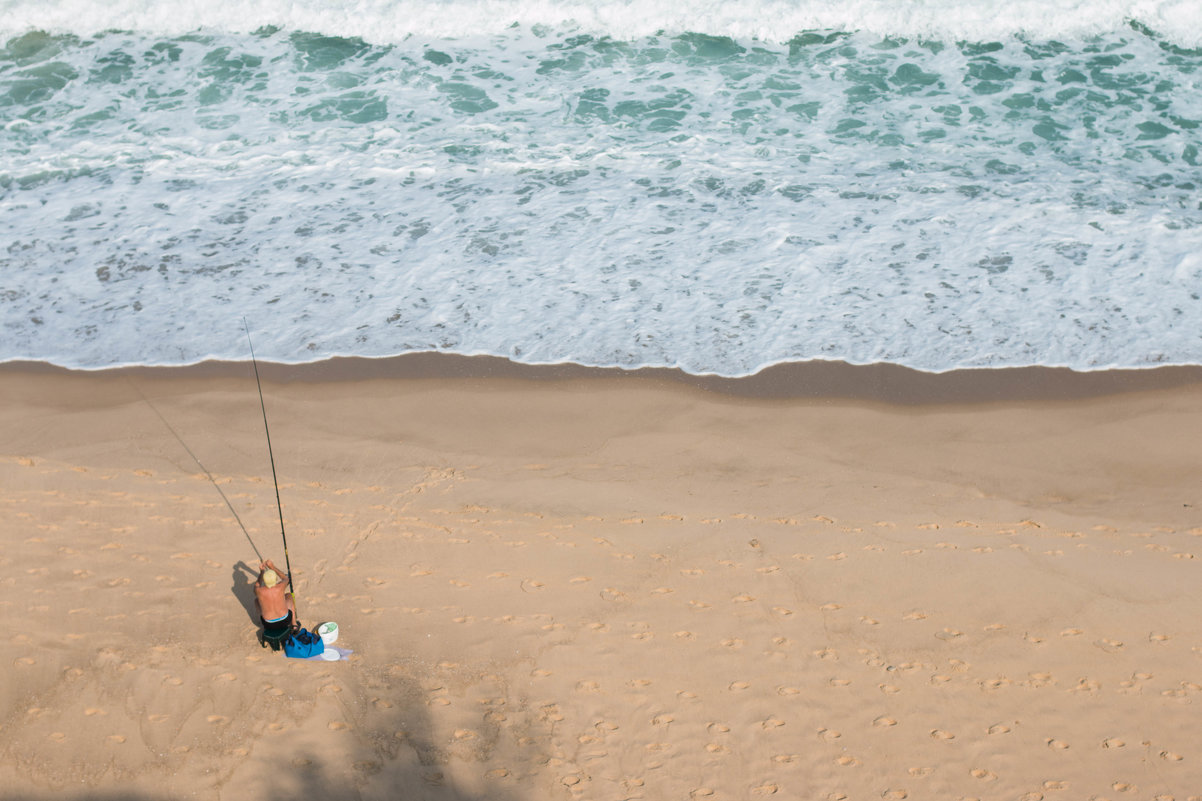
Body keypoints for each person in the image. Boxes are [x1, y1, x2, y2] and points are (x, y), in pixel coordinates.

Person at [254, 559, 297, 637]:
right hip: (285, 620)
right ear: (275, 579)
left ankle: (264, 628)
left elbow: (257, 584)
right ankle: (294, 624)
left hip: (268, 624)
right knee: (289, 596)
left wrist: (261, 572)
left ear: (264, 580)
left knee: (256, 600)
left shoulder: (259, 591)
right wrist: (272, 567)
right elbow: (286, 578)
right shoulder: (280, 587)